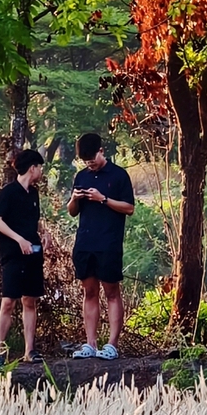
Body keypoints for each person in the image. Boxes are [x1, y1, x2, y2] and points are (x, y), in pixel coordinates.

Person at [66, 132, 136, 360]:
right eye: (86, 162)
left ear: (101, 151)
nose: (91, 164)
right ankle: (90, 343)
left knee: (112, 292)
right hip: (85, 241)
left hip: (109, 242)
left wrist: (103, 199)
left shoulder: (118, 175)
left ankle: (112, 344)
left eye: (93, 159)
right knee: (89, 291)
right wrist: (75, 198)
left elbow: (129, 208)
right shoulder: (81, 176)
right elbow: (72, 211)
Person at [0, 147, 48, 364]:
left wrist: (43, 233)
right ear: (32, 168)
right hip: (13, 254)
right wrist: (18, 239)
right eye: (39, 167)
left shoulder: (33, 193)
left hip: (33, 254)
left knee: (29, 300)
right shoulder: (8, 192)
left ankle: (29, 350)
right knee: (8, 302)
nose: (41, 171)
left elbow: (34, 220)